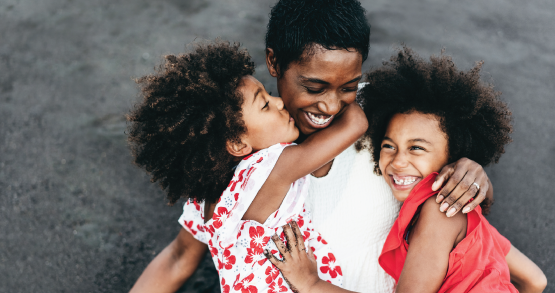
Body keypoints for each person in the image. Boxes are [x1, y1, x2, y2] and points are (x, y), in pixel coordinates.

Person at [129, 1, 494, 292]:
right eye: (315, 88)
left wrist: (473, 173)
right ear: (274, 62)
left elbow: (452, 206)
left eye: (349, 86)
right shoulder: (228, 165)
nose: (332, 106)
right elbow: (180, 256)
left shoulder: (389, 122)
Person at [264, 47, 547, 293]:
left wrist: (311, 285)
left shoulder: (441, 212)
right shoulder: (453, 210)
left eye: (417, 148)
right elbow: (534, 281)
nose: (398, 162)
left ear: (453, 157)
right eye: (388, 146)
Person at [127, 40, 368, 292]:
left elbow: (179, 257)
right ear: (238, 143)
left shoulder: (207, 196)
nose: (279, 103)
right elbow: (355, 124)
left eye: (269, 95)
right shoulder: (272, 168)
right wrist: (344, 87)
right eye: (264, 105)